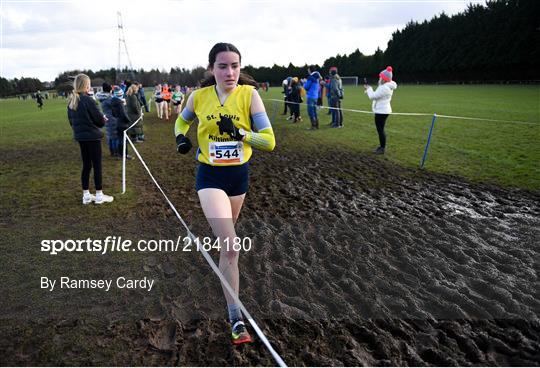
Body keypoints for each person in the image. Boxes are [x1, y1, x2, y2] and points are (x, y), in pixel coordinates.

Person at [174, 42, 275, 345]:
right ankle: (236, 318)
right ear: (211, 69)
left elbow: (269, 141)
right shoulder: (199, 97)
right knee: (231, 246)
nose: (230, 72)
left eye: (235, 66)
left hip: (238, 178)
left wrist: (241, 134)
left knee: (225, 245)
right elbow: (182, 119)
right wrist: (181, 136)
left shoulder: (250, 96)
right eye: (223, 66)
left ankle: (224, 268)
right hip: (210, 176)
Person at [67, 74, 114, 205]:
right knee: (97, 165)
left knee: (86, 165)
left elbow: (72, 122)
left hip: (81, 138)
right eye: (89, 84)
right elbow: (99, 121)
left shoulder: (71, 101)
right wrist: (103, 119)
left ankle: (86, 195)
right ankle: (99, 195)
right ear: (85, 86)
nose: (90, 87)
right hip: (92, 137)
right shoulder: (88, 100)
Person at [364, 66, 397, 154]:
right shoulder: (386, 86)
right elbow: (376, 95)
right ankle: (382, 147)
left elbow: (373, 96)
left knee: (380, 130)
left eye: (381, 77)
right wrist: (369, 89)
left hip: (381, 111)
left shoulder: (384, 87)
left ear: (384, 79)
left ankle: (382, 148)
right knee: (381, 129)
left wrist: (369, 89)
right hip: (383, 110)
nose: (379, 78)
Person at [96, 83, 119, 157]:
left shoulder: (103, 98)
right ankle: (115, 151)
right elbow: (116, 106)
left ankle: (112, 151)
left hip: (106, 118)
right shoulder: (109, 99)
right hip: (112, 118)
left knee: (109, 135)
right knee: (115, 136)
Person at [303, 66, 321, 130]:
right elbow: (318, 88)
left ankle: (313, 126)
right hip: (316, 97)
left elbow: (306, 87)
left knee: (311, 112)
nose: (308, 71)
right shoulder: (317, 77)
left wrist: (304, 82)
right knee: (315, 111)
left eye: (308, 70)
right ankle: (317, 125)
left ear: (310, 70)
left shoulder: (310, 77)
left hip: (310, 97)